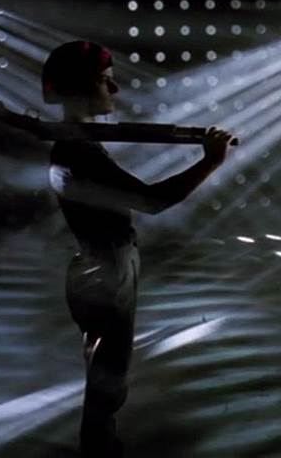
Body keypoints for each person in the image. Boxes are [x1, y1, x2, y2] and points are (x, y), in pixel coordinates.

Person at [42, 40, 234, 457]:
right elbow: (151, 201)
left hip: (98, 265)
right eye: (104, 81)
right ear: (80, 87)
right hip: (106, 268)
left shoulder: (76, 145)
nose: (114, 90)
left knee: (103, 369)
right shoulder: (77, 150)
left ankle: (99, 445)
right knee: (108, 376)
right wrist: (210, 162)